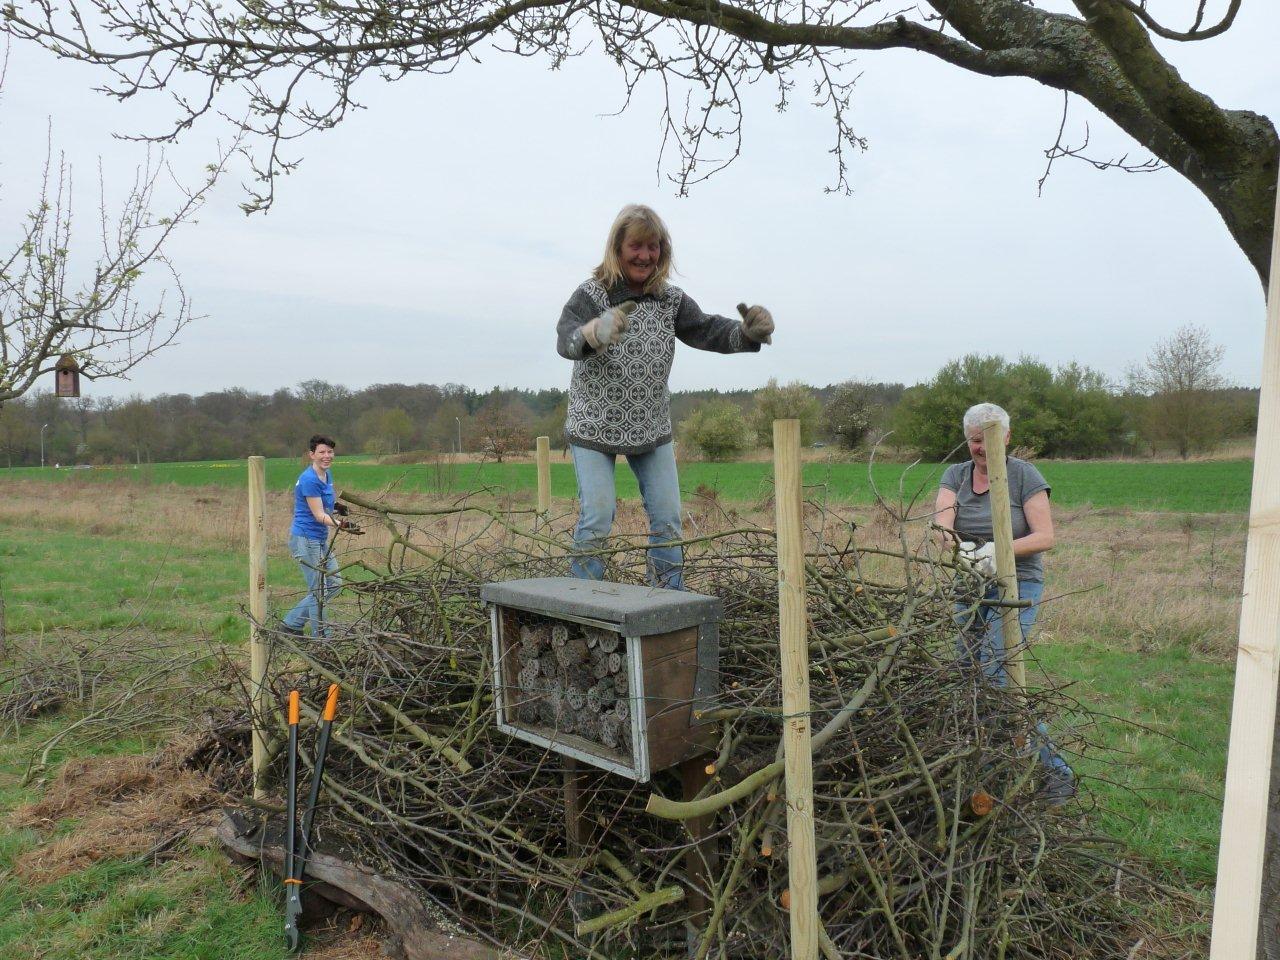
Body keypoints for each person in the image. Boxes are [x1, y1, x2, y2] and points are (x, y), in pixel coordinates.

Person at [556, 204, 774, 590]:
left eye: (653, 246)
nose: (645, 255)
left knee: (668, 521)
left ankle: (665, 605)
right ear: (618, 248)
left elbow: (707, 330)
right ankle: (583, 603)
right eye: (636, 246)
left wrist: (747, 333)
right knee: (597, 518)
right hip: (593, 426)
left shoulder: (668, 300)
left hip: (651, 427)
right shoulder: (591, 295)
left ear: (663, 250)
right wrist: (594, 332)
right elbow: (565, 340)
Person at [934, 402, 1075, 801]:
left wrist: (999, 552)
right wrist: (957, 548)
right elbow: (941, 522)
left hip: (1017, 584)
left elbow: (1045, 536)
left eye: (988, 439)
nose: (980, 448)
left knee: (999, 673)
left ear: (1006, 437)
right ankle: (984, 762)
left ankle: (1053, 771)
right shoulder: (956, 475)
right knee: (965, 673)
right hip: (970, 585)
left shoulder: (1023, 475)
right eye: (975, 440)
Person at [281, 434, 346, 638]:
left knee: (334, 584)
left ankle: (290, 624)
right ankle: (323, 640)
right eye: (322, 452)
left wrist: (336, 507)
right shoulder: (309, 479)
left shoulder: (327, 475)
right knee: (319, 591)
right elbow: (318, 515)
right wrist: (342, 524)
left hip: (319, 539)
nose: (327, 456)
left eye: (330, 452)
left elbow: (323, 504)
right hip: (305, 539)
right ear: (312, 455)